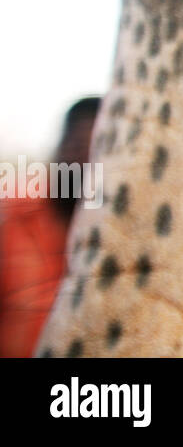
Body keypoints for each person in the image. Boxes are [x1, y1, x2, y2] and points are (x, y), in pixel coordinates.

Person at [0, 96, 99, 357]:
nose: (81, 162)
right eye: (76, 145)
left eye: (94, 153)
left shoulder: (121, 237)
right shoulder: (12, 217)